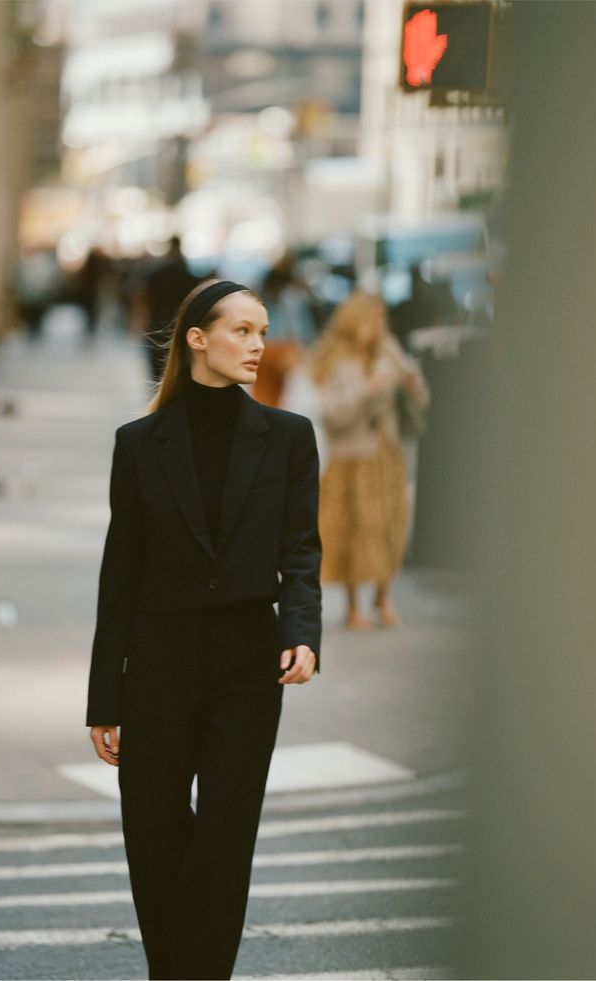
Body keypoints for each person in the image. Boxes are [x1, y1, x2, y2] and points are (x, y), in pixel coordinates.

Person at [86, 279, 322, 981]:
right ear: (198, 338)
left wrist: (303, 629)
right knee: (154, 833)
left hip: (247, 663)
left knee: (224, 837)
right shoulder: (139, 443)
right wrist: (105, 697)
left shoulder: (286, 436)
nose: (259, 345)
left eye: (262, 331)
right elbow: (119, 574)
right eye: (243, 331)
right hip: (158, 662)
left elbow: (301, 550)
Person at [310, 291, 429, 629]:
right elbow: (332, 415)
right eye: (372, 319)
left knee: (389, 524)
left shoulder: (387, 350)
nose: (378, 326)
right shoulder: (335, 359)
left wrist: (410, 381)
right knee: (352, 529)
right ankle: (352, 606)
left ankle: (383, 596)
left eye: (381, 319)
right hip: (350, 458)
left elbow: (420, 397)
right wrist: (368, 387)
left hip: (384, 452)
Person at [253, 253, 316, 407]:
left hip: (265, 345)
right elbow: (298, 326)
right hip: (284, 346)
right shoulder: (293, 294)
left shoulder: (262, 290)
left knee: (264, 396)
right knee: (287, 398)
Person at [138, 235, 201, 382]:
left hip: (157, 322)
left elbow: (142, 295)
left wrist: (140, 319)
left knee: (156, 366)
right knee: (175, 365)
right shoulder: (185, 272)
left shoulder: (159, 270)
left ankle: (160, 396)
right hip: (178, 323)